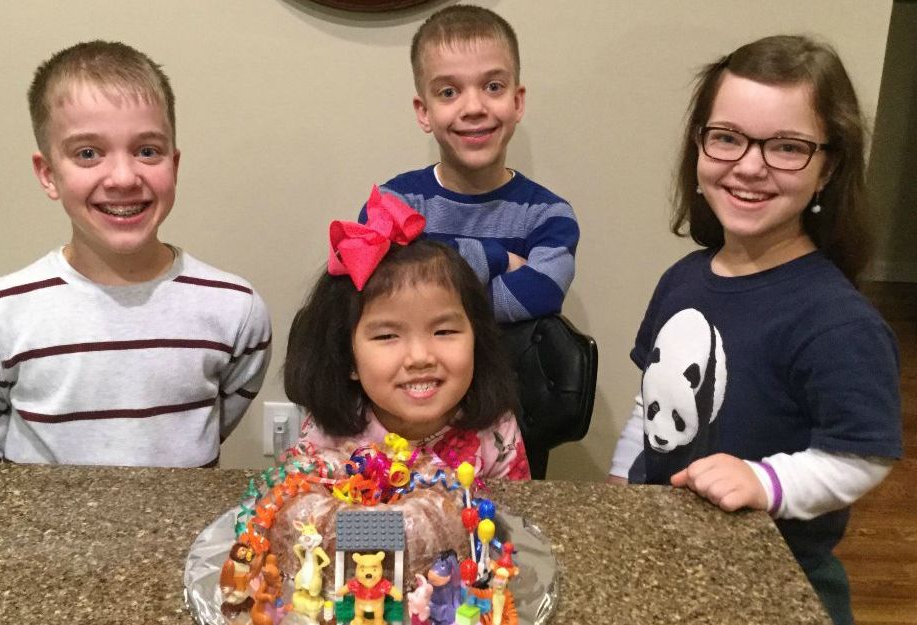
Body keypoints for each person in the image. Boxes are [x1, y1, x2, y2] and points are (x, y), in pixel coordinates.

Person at [607, 35, 902, 625]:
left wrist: (765, 480)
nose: (748, 164)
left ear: (828, 168)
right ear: (700, 144)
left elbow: (864, 456)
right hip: (673, 556)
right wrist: (622, 482)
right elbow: (653, 399)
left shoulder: (836, 321)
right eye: (727, 137)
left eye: (787, 147)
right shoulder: (682, 279)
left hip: (776, 579)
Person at [0, 41, 271, 467]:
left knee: (377, 538)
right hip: (41, 533)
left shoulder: (236, 311)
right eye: (88, 153)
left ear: (174, 164)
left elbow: (215, 424)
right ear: (48, 174)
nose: (122, 177)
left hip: (186, 534)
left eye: (147, 151)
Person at [285, 188, 530, 479]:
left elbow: (511, 517)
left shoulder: (495, 431)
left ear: (477, 339)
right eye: (387, 336)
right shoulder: (328, 436)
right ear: (348, 357)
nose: (420, 357)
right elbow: (306, 515)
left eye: (444, 331)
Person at [361, 4, 579, 323]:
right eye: (449, 92)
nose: (474, 107)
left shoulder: (549, 216)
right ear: (424, 112)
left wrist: (430, 289)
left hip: (511, 374)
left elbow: (539, 293)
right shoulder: (392, 204)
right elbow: (384, 297)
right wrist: (497, 257)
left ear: (517, 103)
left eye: (493, 87)